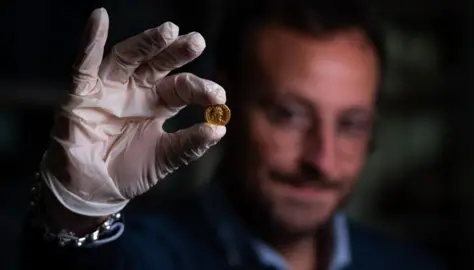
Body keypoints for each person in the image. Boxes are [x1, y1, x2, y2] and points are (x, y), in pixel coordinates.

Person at [20, 0, 445, 269]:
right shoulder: (141, 257)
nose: (322, 161)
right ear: (224, 102)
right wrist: (77, 215)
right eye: (288, 115)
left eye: (351, 124)